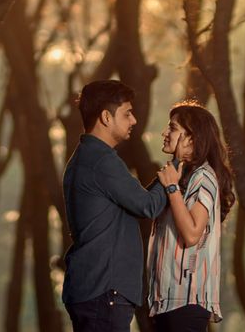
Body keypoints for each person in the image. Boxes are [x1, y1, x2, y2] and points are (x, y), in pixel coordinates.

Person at [62, 79, 167, 331]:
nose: (133, 121)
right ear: (106, 117)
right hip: (104, 291)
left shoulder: (85, 158)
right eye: (127, 114)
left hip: (93, 290)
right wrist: (172, 175)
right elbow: (148, 206)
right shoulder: (101, 161)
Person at [148, 101, 236, 330]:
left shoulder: (203, 177)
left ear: (192, 138)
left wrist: (171, 189)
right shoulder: (183, 176)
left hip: (186, 302)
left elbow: (192, 233)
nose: (165, 133)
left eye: (173, 128)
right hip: (168, 302)